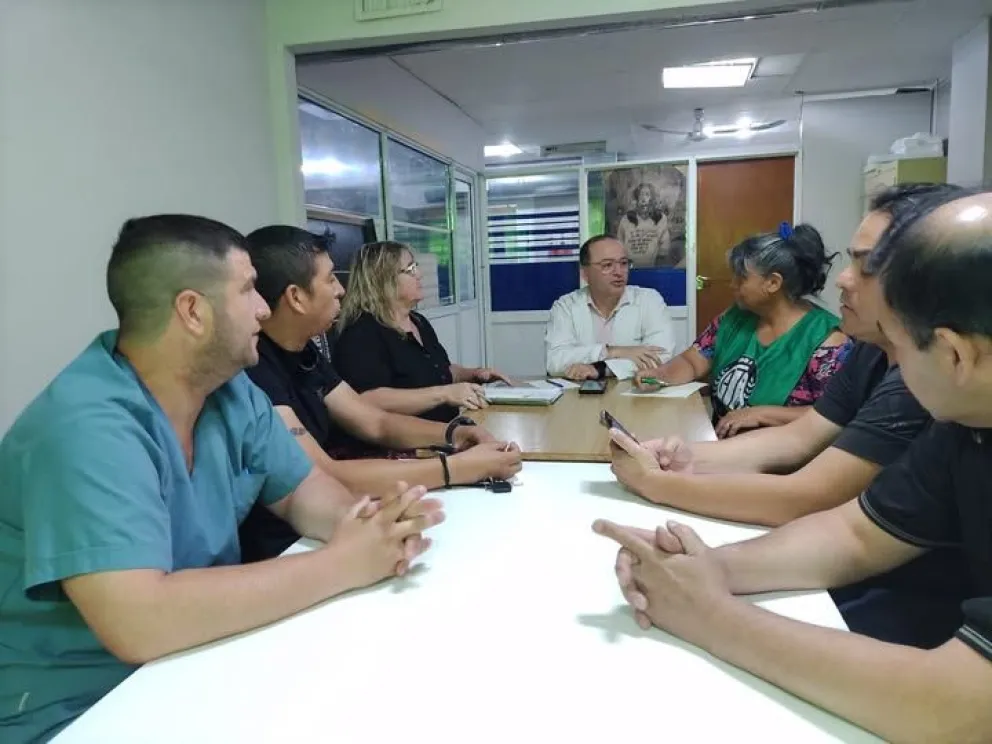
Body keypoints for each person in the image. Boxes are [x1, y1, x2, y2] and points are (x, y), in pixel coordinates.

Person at [0, 216, 443, 742]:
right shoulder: (85, 427)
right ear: (193, 311)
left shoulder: (233, 394)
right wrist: (342, 563)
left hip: (196, 663)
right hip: (76, 709)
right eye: (250, 289)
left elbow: (306, 493)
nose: (263, 307)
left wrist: (373, 527)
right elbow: (139, 621)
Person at [593, 187, 992, 744]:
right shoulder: (963, 421)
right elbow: (855, 532)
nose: (842, 282)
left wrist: (711, 615)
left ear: (953, 354)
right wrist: (710, 568)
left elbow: (961, 710)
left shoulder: (931, 397)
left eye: (900, 346)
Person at [239, 226, 522, 561]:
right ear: (296, 297)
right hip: (288, 547)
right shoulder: (255, 367)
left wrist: (454, 433)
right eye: (330, 279)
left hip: (330, 526)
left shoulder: (306, 353)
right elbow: (323, 474)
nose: (341, 290)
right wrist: (456, 468)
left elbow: (374, 421)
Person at [635, 223, 850, 437]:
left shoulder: (827, 341)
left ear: (773, 283)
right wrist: (660, 375)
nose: (732, 285)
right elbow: (693, 361)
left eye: (741, 278)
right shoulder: (734, 318)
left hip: (781, 462)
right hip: (722, 450)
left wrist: (760, 414)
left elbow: (837, 416)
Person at [333, 241, 511, 423]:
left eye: (415, 266)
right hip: (402, 443)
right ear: (382, 279)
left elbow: (440, 370)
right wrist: (444, 394)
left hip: (446, 430)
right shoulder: (361, 332)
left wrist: (475, 374)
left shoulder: (418, 321)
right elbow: (366, 399)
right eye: (410, 269)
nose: (419, 274)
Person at [545, 235, 676, 381]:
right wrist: (611, 351)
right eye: (607, 265)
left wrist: (600, 369)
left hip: (636, 395)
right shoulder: (565, 306)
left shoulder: (649, 300)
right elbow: (554, 361)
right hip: (580, 397)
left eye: (624, 263)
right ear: (585, 273)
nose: (619, 272)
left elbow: (660, 357)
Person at [616, 183, 672, 267]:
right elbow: (619, 244)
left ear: (652, 198)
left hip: (653, 269)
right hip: (630, 269)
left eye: (647, 194)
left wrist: (658, 266)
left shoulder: (660, 218)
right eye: (641, 194)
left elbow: (664, 247)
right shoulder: (626, 218)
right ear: (636, 198)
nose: (643, 198)